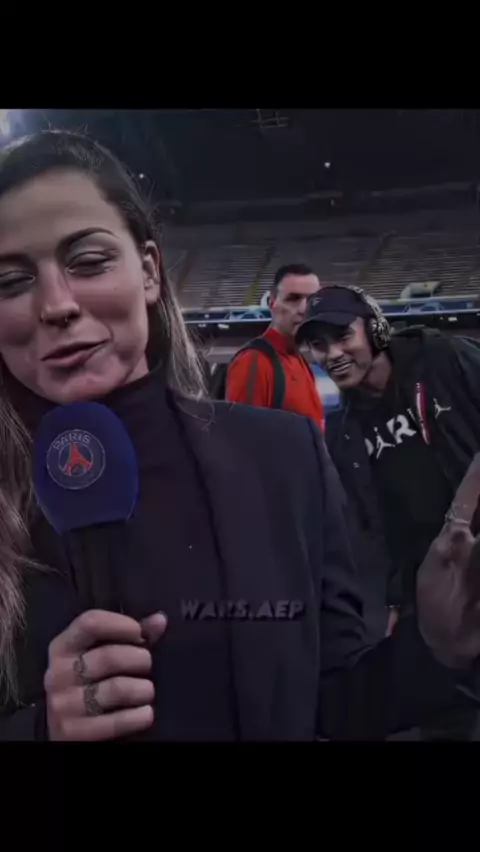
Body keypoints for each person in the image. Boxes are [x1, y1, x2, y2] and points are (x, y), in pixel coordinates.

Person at [0, 131, 479, 742]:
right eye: (11, 281)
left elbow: (336, 701)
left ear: (148, 272)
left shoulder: (285, 456)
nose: (56, 304)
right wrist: (42, 730)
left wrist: (437, 648)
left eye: (89, 261)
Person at [296, 283, 480, 739]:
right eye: (319, 345)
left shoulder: (443, 359)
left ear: (375, 329)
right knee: (445, 717)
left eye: (343, 336)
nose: (332, 354)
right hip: (436, 590)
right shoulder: (343, 432)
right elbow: (382, 524)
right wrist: (399, 599)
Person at [224, 264, 325, 430]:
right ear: (272, 303)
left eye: (312, 300)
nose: (303, 309)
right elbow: (241, 437)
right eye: (293, 299)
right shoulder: (254, 361)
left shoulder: (300, 360)